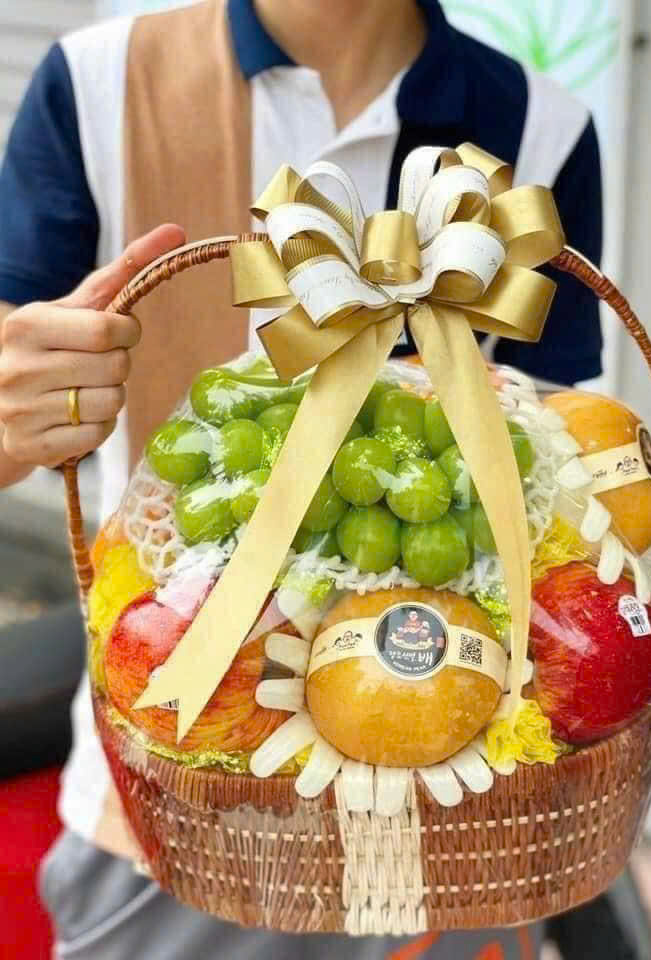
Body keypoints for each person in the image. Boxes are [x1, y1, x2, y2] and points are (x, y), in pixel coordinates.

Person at [0, 1, 603, 957]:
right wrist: (18, 413)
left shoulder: (540, 124)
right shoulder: (99, 81)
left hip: (448, 801)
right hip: (174, 789)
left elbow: (564, 462)